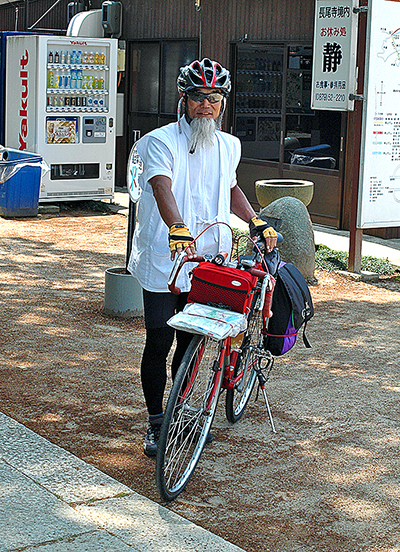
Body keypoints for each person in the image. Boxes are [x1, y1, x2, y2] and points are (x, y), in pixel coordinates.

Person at [127, 58, 277, 456]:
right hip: (166, 255)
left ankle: (182, 411)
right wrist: (177, 226)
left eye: (213, 98)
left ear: (223, 103)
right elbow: (161, 186)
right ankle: (157, 421)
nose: (205, 105)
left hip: (210, 260)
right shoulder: (160, 141)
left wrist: (255, 221)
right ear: (184, 98)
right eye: (197, 97)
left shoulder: (230, 145)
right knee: (158, 339)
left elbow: (230, 189)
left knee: (192, 340)